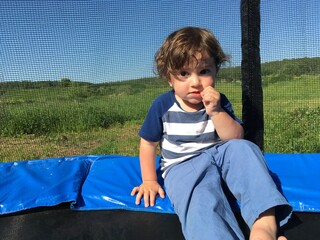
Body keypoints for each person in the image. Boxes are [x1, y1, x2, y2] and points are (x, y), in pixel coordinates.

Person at [131, 26, 291, 240]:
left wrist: (215, 111)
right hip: (183, 165)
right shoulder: (162, 106)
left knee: (245, 149)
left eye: (204, 71)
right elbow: (148, 144)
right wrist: (150, 180)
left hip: (221, 154)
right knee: (199, 201)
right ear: (170, 78)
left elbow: (234, 137)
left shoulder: (219, 101)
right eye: (184, 74)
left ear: (216, 70)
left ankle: (264, 228)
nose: (195, 82)